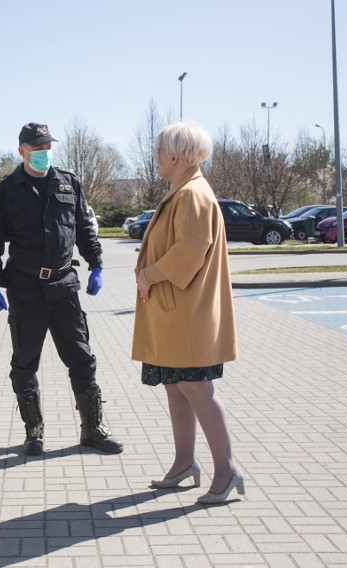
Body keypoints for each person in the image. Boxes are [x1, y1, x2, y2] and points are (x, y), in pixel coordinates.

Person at [0, 122, 123, 456]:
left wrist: (97, 265)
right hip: (25, 287)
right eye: (37, 147)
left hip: (63, 285)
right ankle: (34, 431)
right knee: (25, 363)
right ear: (22, 151)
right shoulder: (7, 189)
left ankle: (93, 428)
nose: (44, 152)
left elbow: (84, 229)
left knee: (82, 358)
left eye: (47, 146)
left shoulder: (68, 183)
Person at [131, 121, 244, 504]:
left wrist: (147, 274)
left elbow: (189, 252)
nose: (156, 158)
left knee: (197, 389)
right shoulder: (183, 190)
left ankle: (226, 471)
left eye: (159, 152)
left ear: (176, 157)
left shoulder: (192, 194)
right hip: (175, 314)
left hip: (187, 316)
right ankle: (184, 464)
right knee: (177, 389)